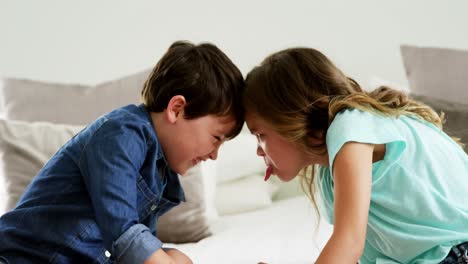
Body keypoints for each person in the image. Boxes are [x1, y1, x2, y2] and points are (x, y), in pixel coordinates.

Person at [0, 40, 245, 264]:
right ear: (177, 109)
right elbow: (123, 230)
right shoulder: (121, 134)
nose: (214, 155)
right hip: (23, 258)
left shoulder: (159, 172)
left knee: (176, 256)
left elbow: (127, 251)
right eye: (216, 138)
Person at [243, 47, 468, 264]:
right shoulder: (329, 172)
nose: (258, 150)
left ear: (288, 119)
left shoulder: (351, 127)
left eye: (260, 134)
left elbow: (348, 243)